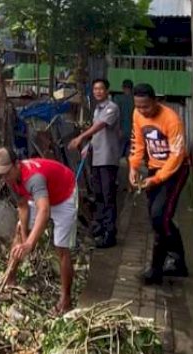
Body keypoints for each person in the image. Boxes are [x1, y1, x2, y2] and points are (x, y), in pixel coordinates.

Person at [0, 148, 77, 313]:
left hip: (64, 194)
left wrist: (30, 243)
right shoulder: (10, 180)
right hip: (38, 197)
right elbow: (23, 206)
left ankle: (66, 300)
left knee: (61, 247)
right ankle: (9, 278)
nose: (5, 178)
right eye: (2, 174)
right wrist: (24, 236)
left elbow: (44, 211)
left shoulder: (34, 178)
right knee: (18, 231)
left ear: (17, 165)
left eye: (7, 173)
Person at [128, 83, 190, 285]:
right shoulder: (137, 115)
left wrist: (156, 179)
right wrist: (134, 168)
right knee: (159, 218)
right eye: (138, 107)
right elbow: (137, 144)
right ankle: (177, 261)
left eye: (146, 106)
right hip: (154, 170)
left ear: (155, 101)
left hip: (175, 171)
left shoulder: (171, 119)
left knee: (159, 217)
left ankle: (156, 269)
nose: (143, 111)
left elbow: (177, 155)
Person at [68, 79, 120, 248]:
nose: (98, 92)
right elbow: (96, 133)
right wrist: (88, 146)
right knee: (98, 194)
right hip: (96, 158)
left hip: (108, 159)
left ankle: (110, 233)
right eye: (95, 89)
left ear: (107, 90)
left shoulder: (111, 108)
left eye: (101, 89)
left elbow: (99, 127)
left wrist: (81, 138)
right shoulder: (97, 109)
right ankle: (99, 228)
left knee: (108, 196)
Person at [114, 79, 134, 159]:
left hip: (120, 131)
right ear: (132, 88)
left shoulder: (118, 99)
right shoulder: (135, 100)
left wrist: (118, 129)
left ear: (122, 87)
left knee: (116, 156)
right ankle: (131, 171)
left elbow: (116, 115)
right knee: (130, 157)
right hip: (133, 133)